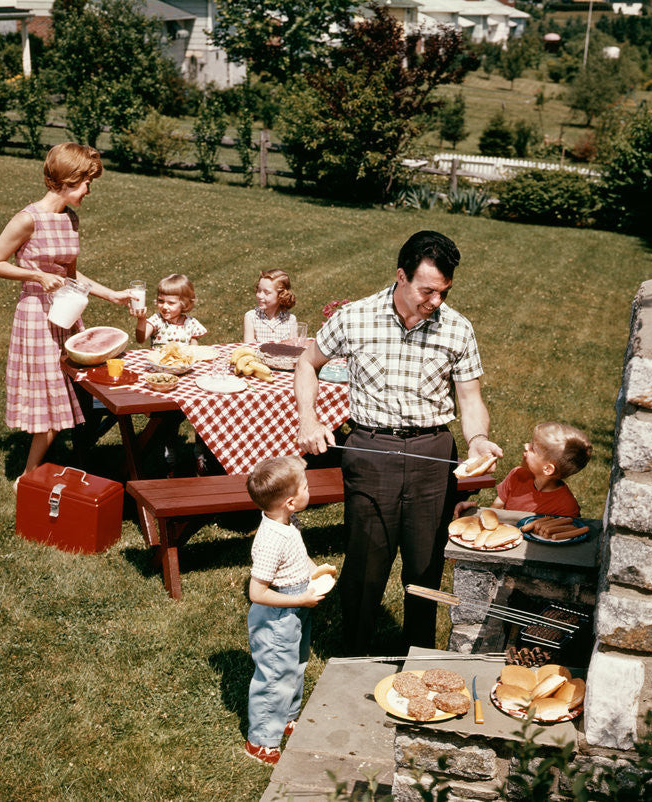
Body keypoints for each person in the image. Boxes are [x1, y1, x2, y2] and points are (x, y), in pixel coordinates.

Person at [295, 230, 502, 655]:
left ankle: (418, 657)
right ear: (401, 276)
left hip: (432, 454)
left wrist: (478, 439)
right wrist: (309, 419)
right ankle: (354, 655)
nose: (436, 301)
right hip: (371, 451)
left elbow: (469, 398)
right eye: (427, 291)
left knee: (425, 567)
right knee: (365, 565)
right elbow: (307, 363)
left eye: (444, 292)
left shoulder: (458, 329)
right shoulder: (355, 317)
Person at [0, 142, 128, 488]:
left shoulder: (70, 218)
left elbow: (71, 275)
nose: (89, 190)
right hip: (37, 317)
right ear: (67, 180)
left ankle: (76, 460)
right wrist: (36, 275)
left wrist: (111, 294)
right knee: (52, 396)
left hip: (66, 312)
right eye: (86, 183)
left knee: (75, 389)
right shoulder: (27, 219)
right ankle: (27, 477)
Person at [244, 456, 326, 766]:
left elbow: (298, 556)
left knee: (295, 665)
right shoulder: (270, 540)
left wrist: (315, 571)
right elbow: (257, 593)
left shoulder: (287, 522)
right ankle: (261, 741)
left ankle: (287, 718)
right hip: (278, 615)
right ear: (291, 502)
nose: (309, 490)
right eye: (306, 486)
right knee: (275, 675)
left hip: (295, 607)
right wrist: (300, 600)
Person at [454, 422, 593, 519]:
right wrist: (472, 514)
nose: (526, 445)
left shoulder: (566, 507)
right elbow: (495, 509)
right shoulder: (517, 475)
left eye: (533, 448)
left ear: (547, 469)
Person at [133, 273, 207, 346]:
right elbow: (140, 339)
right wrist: (141, 319)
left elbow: (194, 349)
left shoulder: (191, 324)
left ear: (184, 304)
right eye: (161, 301)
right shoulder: (157, 320)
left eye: (171, 303)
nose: (164, 307)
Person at [242, 269, 298, 343]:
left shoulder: (290, 320)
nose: (260, 296)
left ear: (281, 295)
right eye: (259, 290)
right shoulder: (251, 317)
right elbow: (249, 346)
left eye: (267, 292)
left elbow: (293, 346)